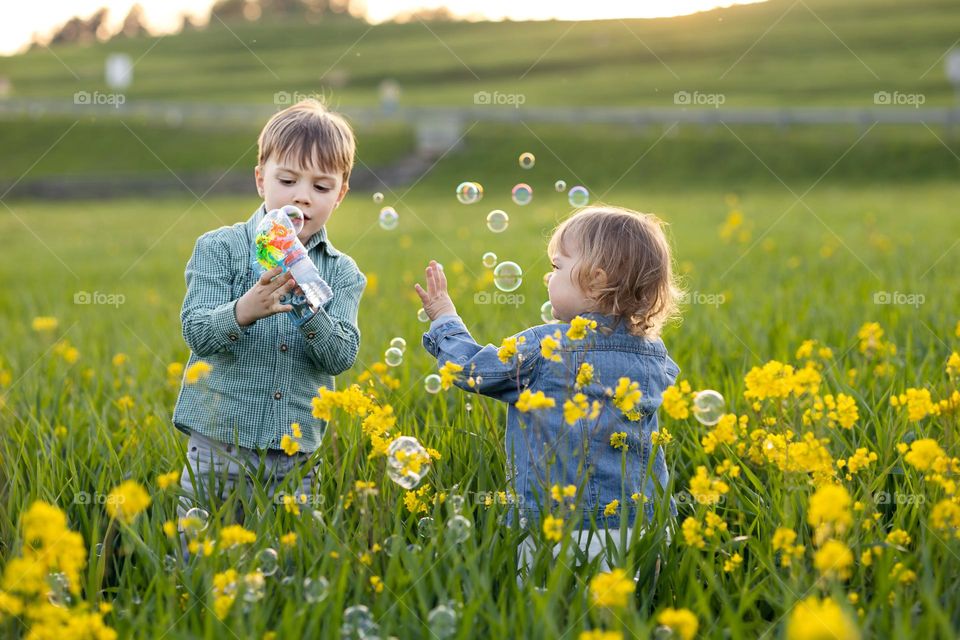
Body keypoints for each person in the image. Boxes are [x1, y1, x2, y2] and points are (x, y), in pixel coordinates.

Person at [415, 205, 681, 579]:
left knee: (550, 619)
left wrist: (444, 318)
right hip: (645, 530)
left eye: (557, 267)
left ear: (595, 280)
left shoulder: (544, 346)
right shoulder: (655, 354)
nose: (547, 278)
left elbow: (470, 370)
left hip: (559, 531)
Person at [171, 99, 366, 557]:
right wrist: (244, 309)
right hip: (218, 443)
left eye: (321, 185)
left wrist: (308, 307)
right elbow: (197, 332)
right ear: (261, 178)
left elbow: (341, 356)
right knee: (197, 554)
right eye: (287, 180)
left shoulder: (341, 272)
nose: (302, 196)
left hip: (294, 453)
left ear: (339, 195)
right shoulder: (220, 249)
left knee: (289, 560)